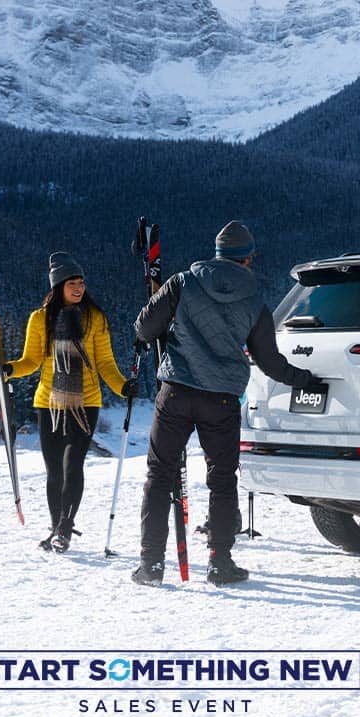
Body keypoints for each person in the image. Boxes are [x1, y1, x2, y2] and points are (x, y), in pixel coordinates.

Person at [131, 220, 321, 586]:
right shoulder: (255, 301)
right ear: (248, 259)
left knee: (159, 476)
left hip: (176, 392)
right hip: (220, 400)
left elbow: (143, 328)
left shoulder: (182, 282)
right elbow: (269, 362)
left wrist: (170, 326)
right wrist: (305, 379)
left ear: (217, 253)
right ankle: (220, 563)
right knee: (221, 480)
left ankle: (151, 564)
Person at [4, 253, 136, 552]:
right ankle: (55, 528)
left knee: (73, 463)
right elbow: (32, 361)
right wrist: (8, 369)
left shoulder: (95, 317)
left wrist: (123, 388)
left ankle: (64, 527)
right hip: (48, 404)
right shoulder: (40, 319)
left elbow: (105, 362)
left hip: (85, 403)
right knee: (54, 470)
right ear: (58, 286)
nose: (78, 288)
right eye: (72, 283)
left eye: (81, 283)